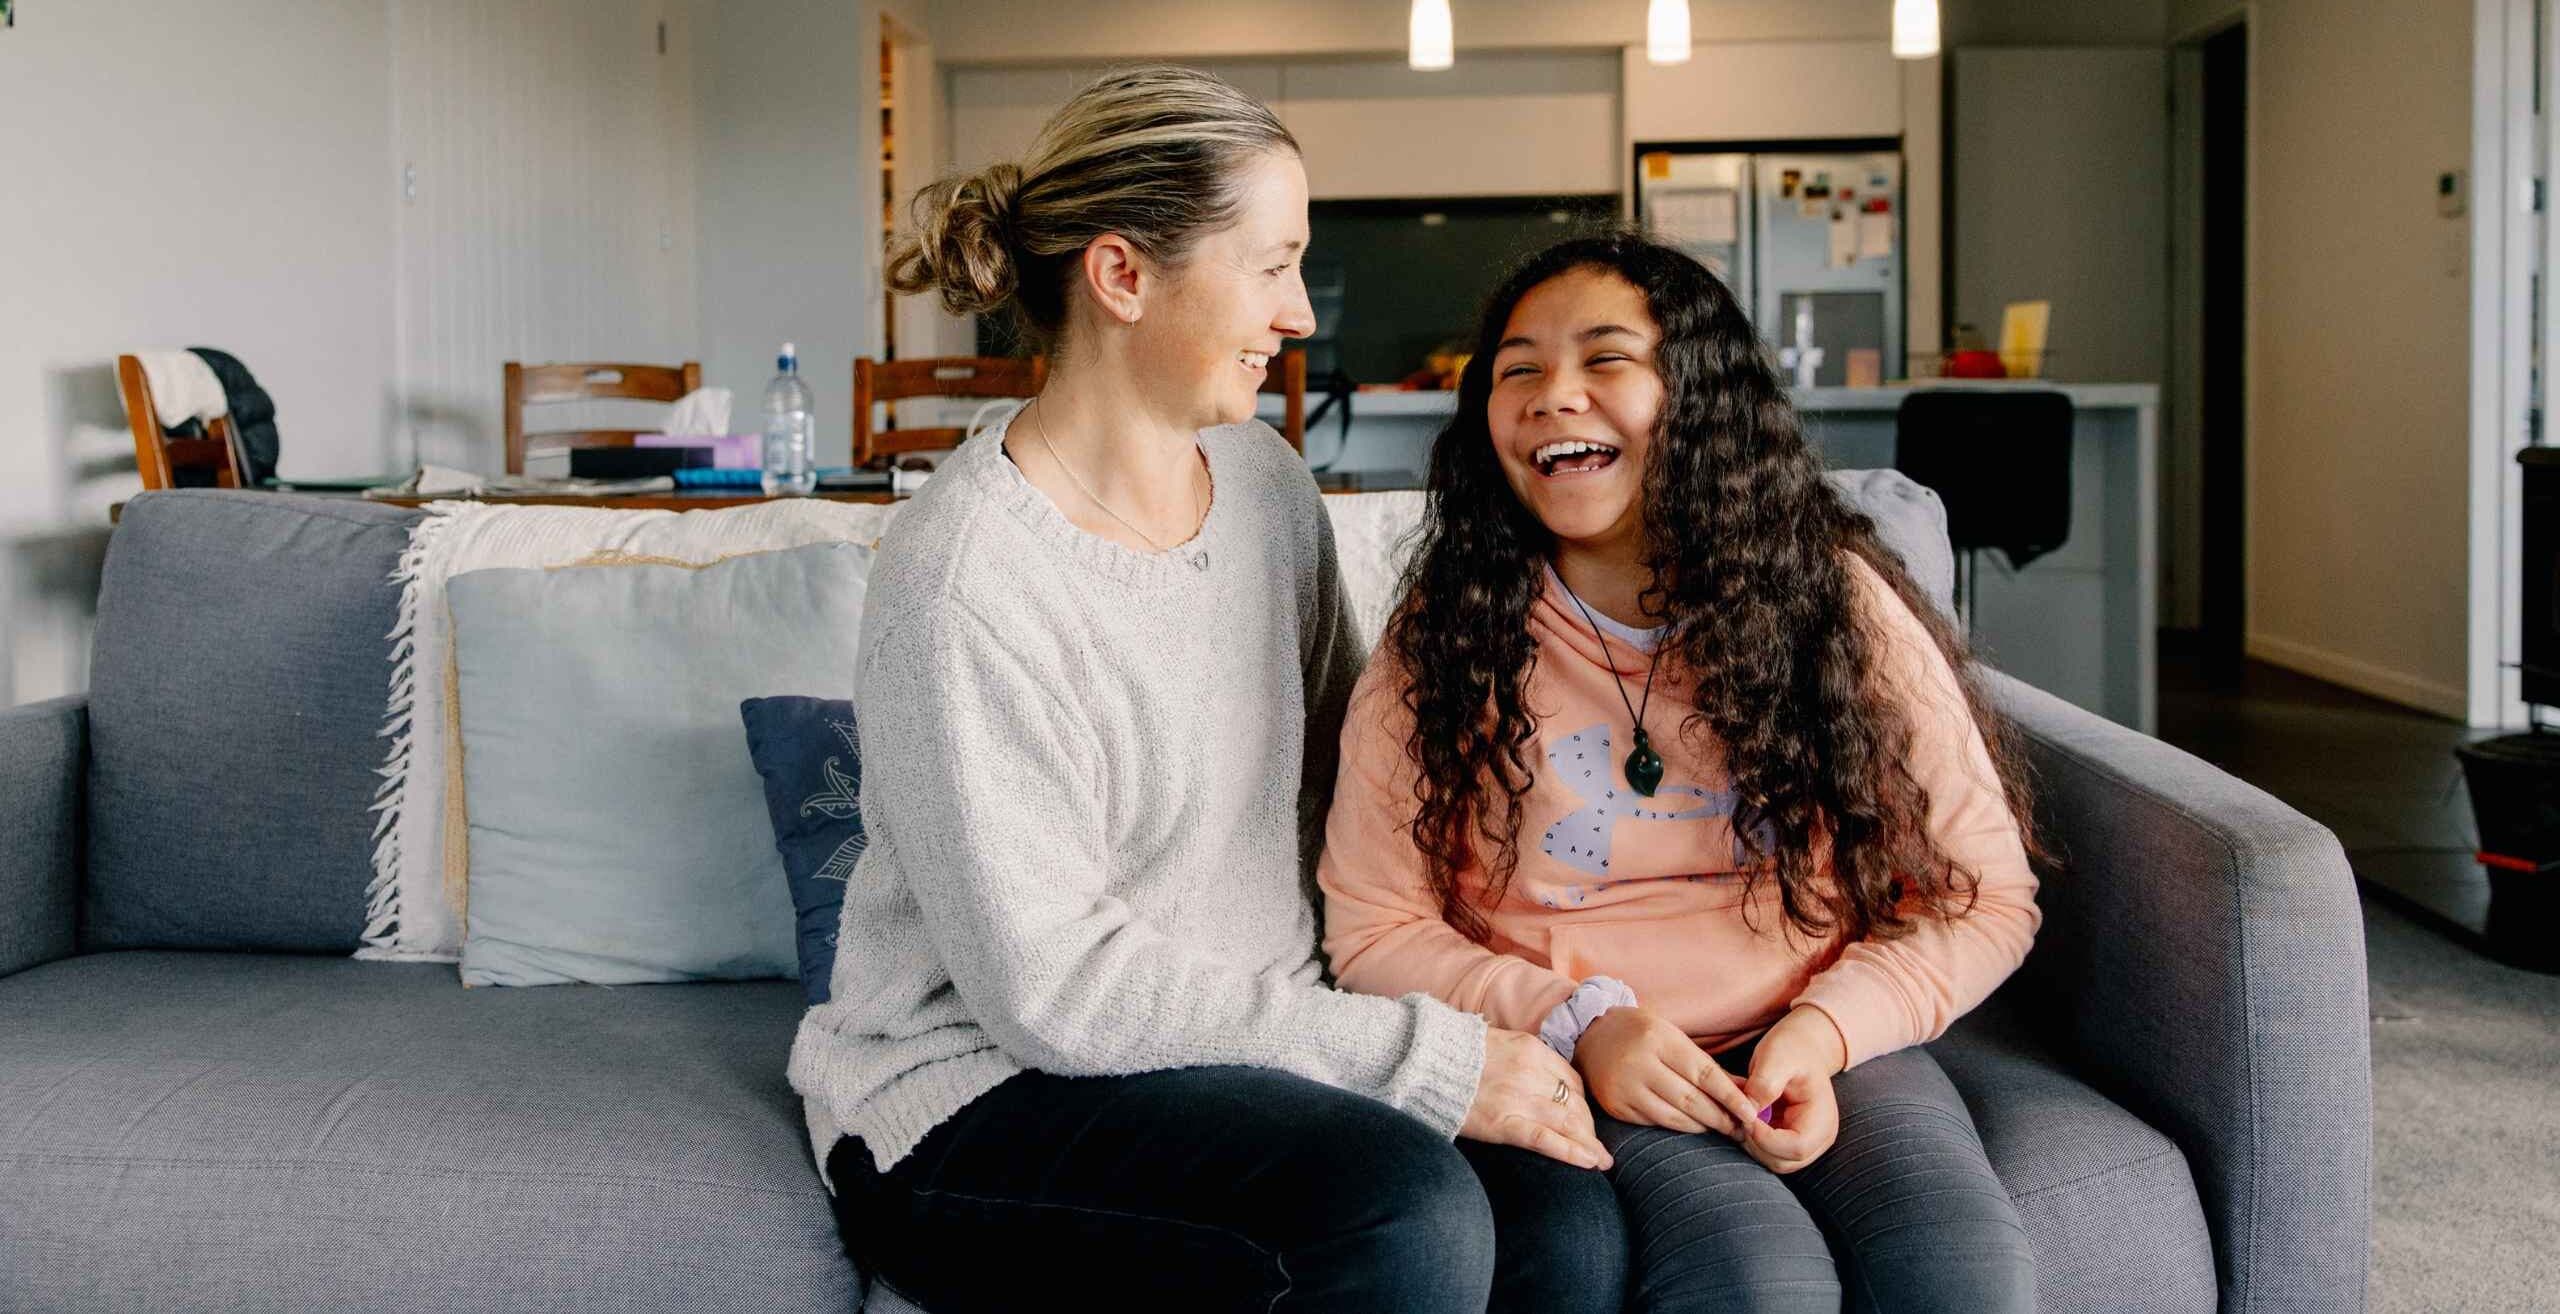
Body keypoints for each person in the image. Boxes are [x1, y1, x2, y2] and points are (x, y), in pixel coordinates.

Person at [789, 68, 1624, 1313]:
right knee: (1406, 1217)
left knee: (1570, 1225)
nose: (1296, 313)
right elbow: (1058, 992)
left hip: (1255, 1042)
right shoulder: (966, 578)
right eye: (1271, 263)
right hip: (981, 1091)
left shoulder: (1265, 485)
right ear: (1123, 276)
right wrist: (1424, 1059)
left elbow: (1356, 781)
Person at [1322, 231, 2044, 1312]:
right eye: (1517, 368)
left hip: (1824, 1030)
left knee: (1959, 1273)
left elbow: (1985, 894)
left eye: (1604, 357)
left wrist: (1826, 1028)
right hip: (1598, 1058)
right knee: (1758, 1283)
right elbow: (1370, 929)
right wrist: (1581, 1023)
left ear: (1696, 394)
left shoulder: (1832, 606)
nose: (1553, 395)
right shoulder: (1446, 637)